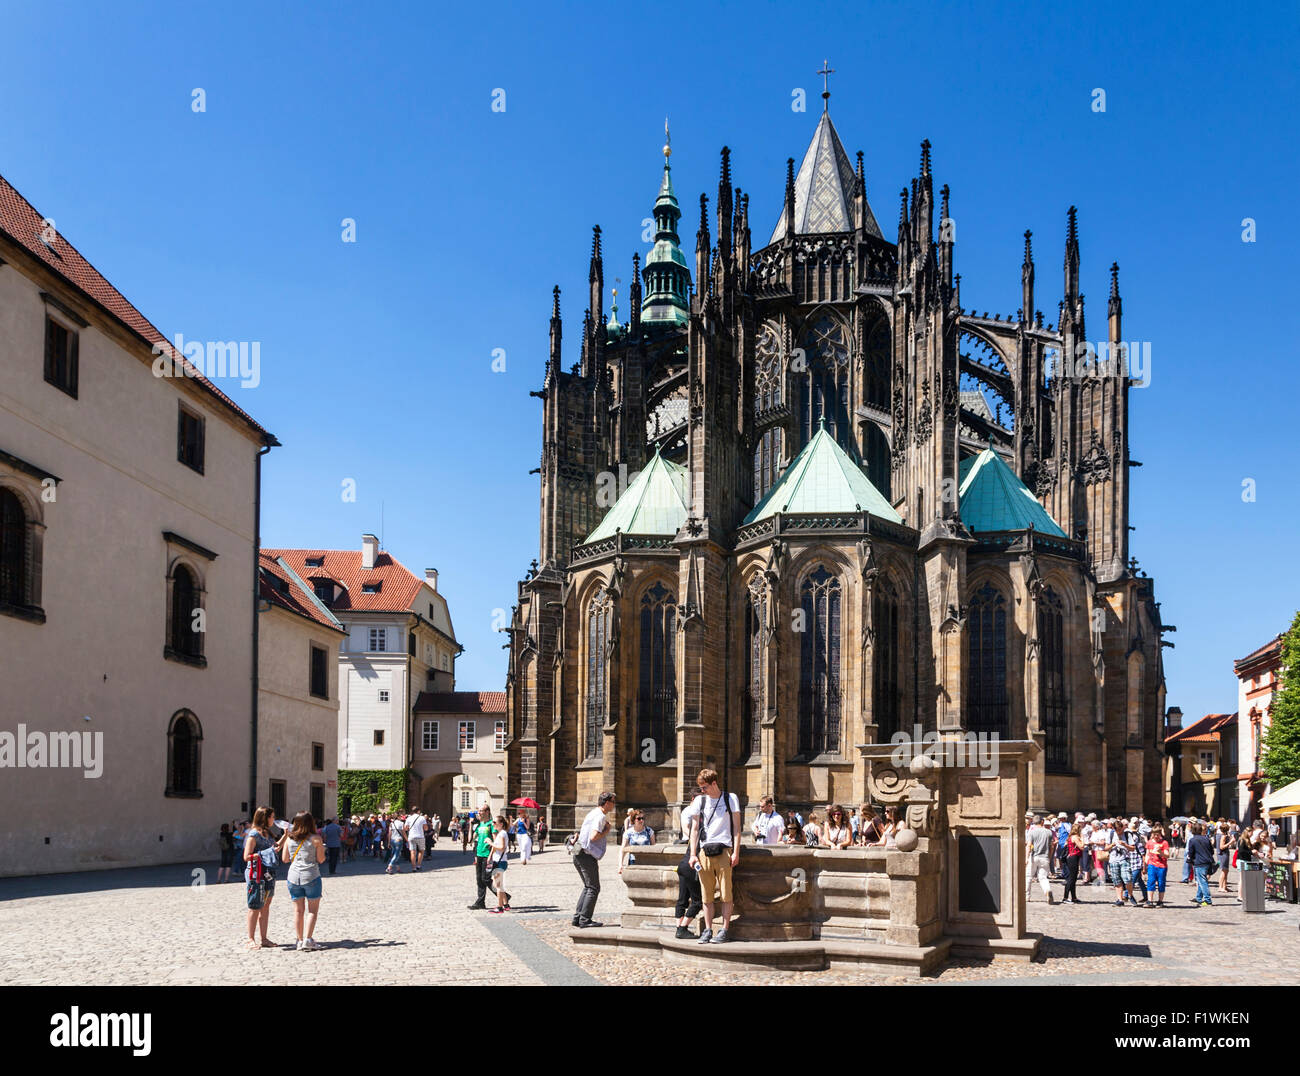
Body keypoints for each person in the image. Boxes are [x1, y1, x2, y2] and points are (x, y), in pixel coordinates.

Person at [687, 769, 741, 945]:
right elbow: (694, 829)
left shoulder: (730, 798)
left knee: (726, 894)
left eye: (704, 787)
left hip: (724, 850)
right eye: (700, 788)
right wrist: (693, 854)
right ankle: (708, 930)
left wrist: (736, 852)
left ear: (714, 783)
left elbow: (737, 829)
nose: (702, 791)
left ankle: (724, 930)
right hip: (704, 852)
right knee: (706, 896)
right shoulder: (700, 801)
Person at [244, 806, 287, 950]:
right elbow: (246, 856)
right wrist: (262, 854)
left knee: (265, 907)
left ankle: (264, 938)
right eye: (272, 817)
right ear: (265, 817)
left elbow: (276, 848)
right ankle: (250, 939)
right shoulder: (253, 835)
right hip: (256, 875)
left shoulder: (268, 833)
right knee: (254, 906)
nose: (273, 820)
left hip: (269, 874)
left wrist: (286, 835)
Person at [281, 811, 326, 950]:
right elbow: (321, 859)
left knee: (298, 911)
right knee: (312, 911)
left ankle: (299, 940)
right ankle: (308, 939)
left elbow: (285, 859)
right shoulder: (316, 839)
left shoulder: (289, 839)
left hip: (293, 876)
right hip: (311, 875)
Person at [572, 791, 617, 928]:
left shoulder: (593, 813)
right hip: (587, 855)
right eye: (613, 802)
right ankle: (585, 919)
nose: (614, 805)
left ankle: (578, 917)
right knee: (593, 887)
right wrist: (606, 831)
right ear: (607, 803)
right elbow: (593, 836)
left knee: (588, 886)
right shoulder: (600, 816)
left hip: (579, 853)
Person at [470, 803, 506, 909]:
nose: (479, 813)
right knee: (479, 879)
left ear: (487, 812)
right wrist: (470, 825)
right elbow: (472, 840)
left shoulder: (491, 825)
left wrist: (491, 855)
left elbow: (495, 842)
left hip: (487, 855)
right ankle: (480, 902)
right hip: (479, 854)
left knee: (485, 879)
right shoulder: (480, 825)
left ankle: (504, 897)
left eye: (481, 811)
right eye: (479, 811)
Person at [1025, 815, 1055, 903]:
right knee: (1043, 877)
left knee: (1028, 877)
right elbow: (1051, 846)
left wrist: (1026, 858)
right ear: (1042, 822)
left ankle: (1027, 896)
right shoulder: (1049, 832)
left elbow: (1029, 845)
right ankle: (1047, 890)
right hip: (1044, 857)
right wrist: (1049, 857)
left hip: (1034, 856)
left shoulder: (1032, 832)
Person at [487, 815, 511, 913]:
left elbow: (501, 847)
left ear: (501, 824)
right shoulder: (501, 833)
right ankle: (506, 904)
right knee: (498, 884)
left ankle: (499, 907)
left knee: (497, 885)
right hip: (500, 861)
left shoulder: (502, 834)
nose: (493, 824)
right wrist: (490, 857)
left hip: (500, 862)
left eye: (494, 822)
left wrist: (490, 842)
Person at [1145, 824, 1170, 907]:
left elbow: (1167, 855)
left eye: (1157, 834)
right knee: (1150, 882)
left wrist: (1161, 852)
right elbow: (1147, 854)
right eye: (1154, 834)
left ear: (1160, 834)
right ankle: (1150, 901)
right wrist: (1145, 865)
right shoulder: (1149, 842)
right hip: (1152, 865)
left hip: (1162, 866)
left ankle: (1160, 901)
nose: (1156, 836)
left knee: (1161, 883)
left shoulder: (1164, 843)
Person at [1061, 823, 1084, 904]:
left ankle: (1074, 897)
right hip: (1073, 857)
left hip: (1072, 857)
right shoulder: (1075, 837)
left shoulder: (1070, 837)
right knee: (1071, 878)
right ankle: (1065, 897)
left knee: (1073, 879)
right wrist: (1083, 838)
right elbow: (1082, 847)